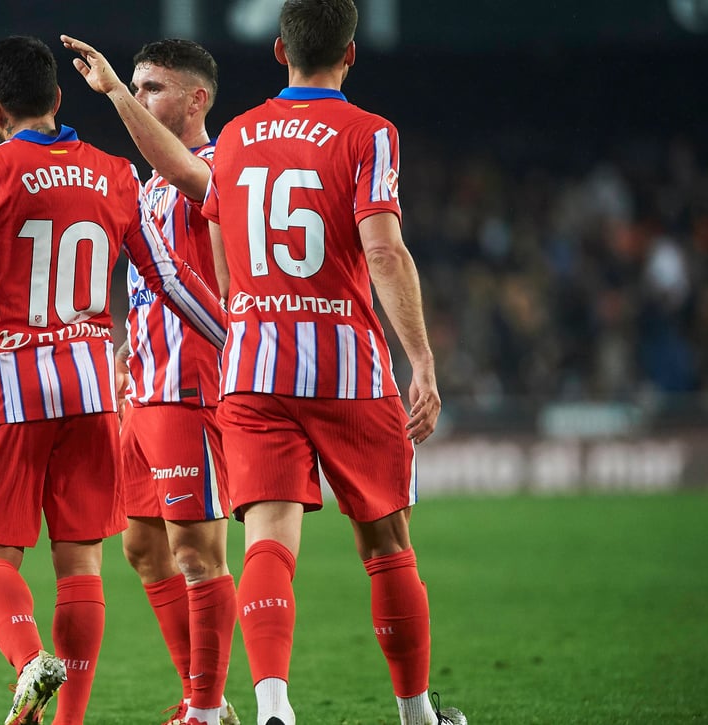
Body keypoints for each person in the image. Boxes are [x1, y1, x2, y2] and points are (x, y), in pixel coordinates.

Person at [0, 36, 225, 725]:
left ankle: (27, 657)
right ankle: (67, 720)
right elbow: (168, 278)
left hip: (11, 395)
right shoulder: (115, 174)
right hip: (94, 393)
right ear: (59, 99)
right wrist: (238, 340)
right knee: (82, 566)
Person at [199, 2, 466, 724]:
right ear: (351, 55)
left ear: (279, 49)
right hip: (346, 365)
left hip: (254, 367)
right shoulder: (370, 133)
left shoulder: (233, 136)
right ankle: (415, 715)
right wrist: (423, 361)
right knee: (385, 542)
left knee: (267, 539)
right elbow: (381, 249)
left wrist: (253, 315)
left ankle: (274, 707)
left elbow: (223, 255)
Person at [62, 34, 238, 725]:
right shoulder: (153, 183)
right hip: (144, 385)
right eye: (133, 87)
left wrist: (107, 93)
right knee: (141, 544)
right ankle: (208, 701)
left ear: (197, 99)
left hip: (192, 381)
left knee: (197, 549)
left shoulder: (219, 166)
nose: (138, 98)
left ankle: (204, 706)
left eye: (151, 88)